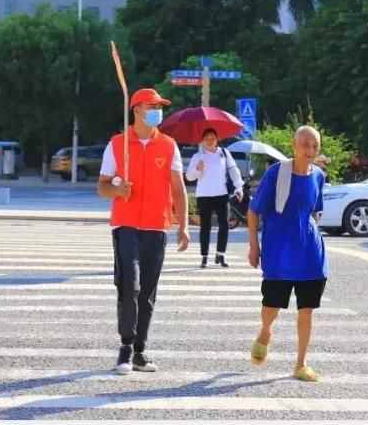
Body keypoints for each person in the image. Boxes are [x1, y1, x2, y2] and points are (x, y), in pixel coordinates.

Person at [97, 87, 190, 375]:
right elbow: (102, 187)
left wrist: (184, 225)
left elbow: (178, 188)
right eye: (153, 106)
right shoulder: (116, 144)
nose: (157, 111)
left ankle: (140, 352)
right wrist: (117, 188)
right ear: (137, 109)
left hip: (156, 226)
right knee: (130, 286)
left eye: (159, 106)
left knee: (148, 291)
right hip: (126, 225)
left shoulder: (168, 145)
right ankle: (125, 348)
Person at [246, 126, 328, 383]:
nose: (310, 150)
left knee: (307, 309)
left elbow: (315, 212)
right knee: (271, 306)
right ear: (294, 145)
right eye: (305, 144)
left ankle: (301, 363)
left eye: (315, 146)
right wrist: (253, 245)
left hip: (310, 254)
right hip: (279, 253)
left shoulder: (318, 176)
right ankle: (265, 331)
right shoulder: (276, 173)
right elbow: (253, 211)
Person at [186, 128, 244, 268]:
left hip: (222, 194)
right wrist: (197, 170)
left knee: (224, 225)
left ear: (217, 139)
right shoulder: (197, 157)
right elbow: (189, 176)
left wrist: (239, 187)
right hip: (204, 195)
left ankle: (220, 254)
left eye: (213, 138)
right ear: (203, 141)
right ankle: (204, 256)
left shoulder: (224, 153)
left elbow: (233, 170)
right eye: (207, 138)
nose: (210, 141)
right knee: (205, 227)